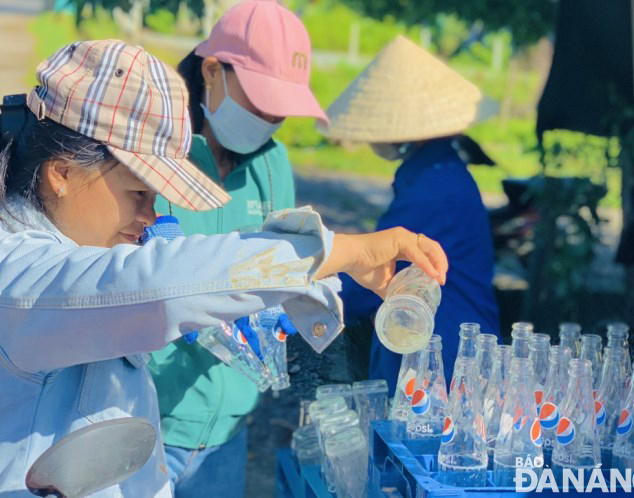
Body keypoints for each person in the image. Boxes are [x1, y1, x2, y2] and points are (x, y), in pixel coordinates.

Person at [0, 39, 448, 497]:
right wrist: (340, 251)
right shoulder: (17, 275)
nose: (152, 216)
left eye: (157, 198)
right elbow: (149, 284)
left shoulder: (74, 259)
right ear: (62, 173)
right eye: (138, 194)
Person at [146, 2, 329, 495]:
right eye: (260, 99)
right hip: (146, 422)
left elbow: (287, 266)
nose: (271, 117)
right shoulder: (157, 151)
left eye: (281, 106)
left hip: (230, 430)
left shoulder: (273, 165)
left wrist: (287, 302)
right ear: (212, 71)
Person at [319, 35, 500, 392]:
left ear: (402, 132)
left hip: (442, 352)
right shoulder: (440, 173)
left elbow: (372, 275)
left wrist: (307, 294)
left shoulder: (431, 189)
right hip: (456, 336)